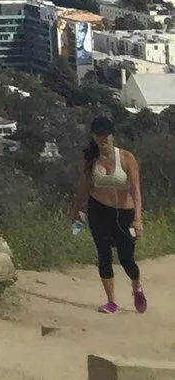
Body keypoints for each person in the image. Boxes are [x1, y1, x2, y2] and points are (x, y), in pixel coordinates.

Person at [74, 114, 147, 313]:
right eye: (98, 135)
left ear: (112, 135)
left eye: (105, 135)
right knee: (103, 253)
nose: (102, 138)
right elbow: (84, 185)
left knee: (126, 259)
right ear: (93, 136)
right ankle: (111, 301)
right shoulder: (90, 159)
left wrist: (138, 219)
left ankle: (136, 287)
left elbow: (136, 190)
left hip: (124, 213)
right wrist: (76, 209)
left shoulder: (126, 158)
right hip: (99, 210)